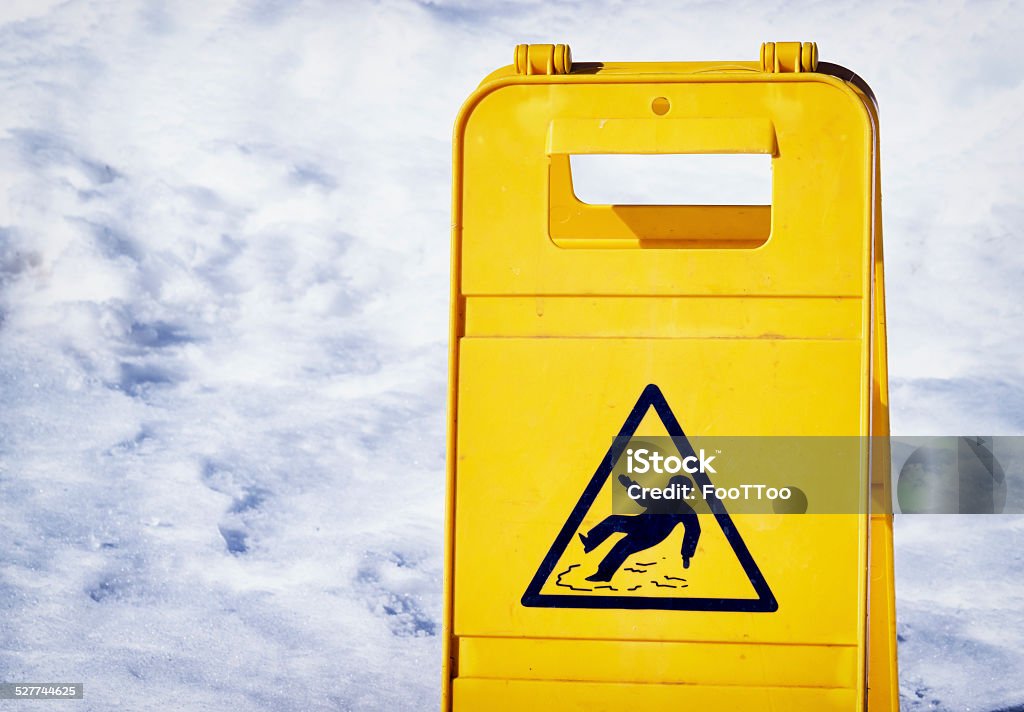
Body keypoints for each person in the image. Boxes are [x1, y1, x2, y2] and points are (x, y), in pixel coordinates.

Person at [578, 474, 701, 582]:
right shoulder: (660, 496)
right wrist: (629, 484)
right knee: (613, 520)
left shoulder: (685, 510)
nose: (670, 488)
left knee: (623, 545)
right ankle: (590, 542)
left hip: (652, 535)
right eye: (671, 485)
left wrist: (686, 555)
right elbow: (643, 498)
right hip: (639, 522)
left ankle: (604, 574)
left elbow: (693, 530)